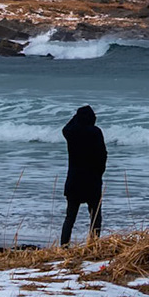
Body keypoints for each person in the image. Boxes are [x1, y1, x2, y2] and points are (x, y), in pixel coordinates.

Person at [60, 104, 107, 245]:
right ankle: (93, 244)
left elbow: (65, 127)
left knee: (70, 218)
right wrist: (100, 173)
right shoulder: (95, 132)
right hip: (92, 180)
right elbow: (103, 155)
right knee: (95, 217)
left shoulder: (71, 133)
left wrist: (76, 117)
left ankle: (64, 245)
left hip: (74, 180)